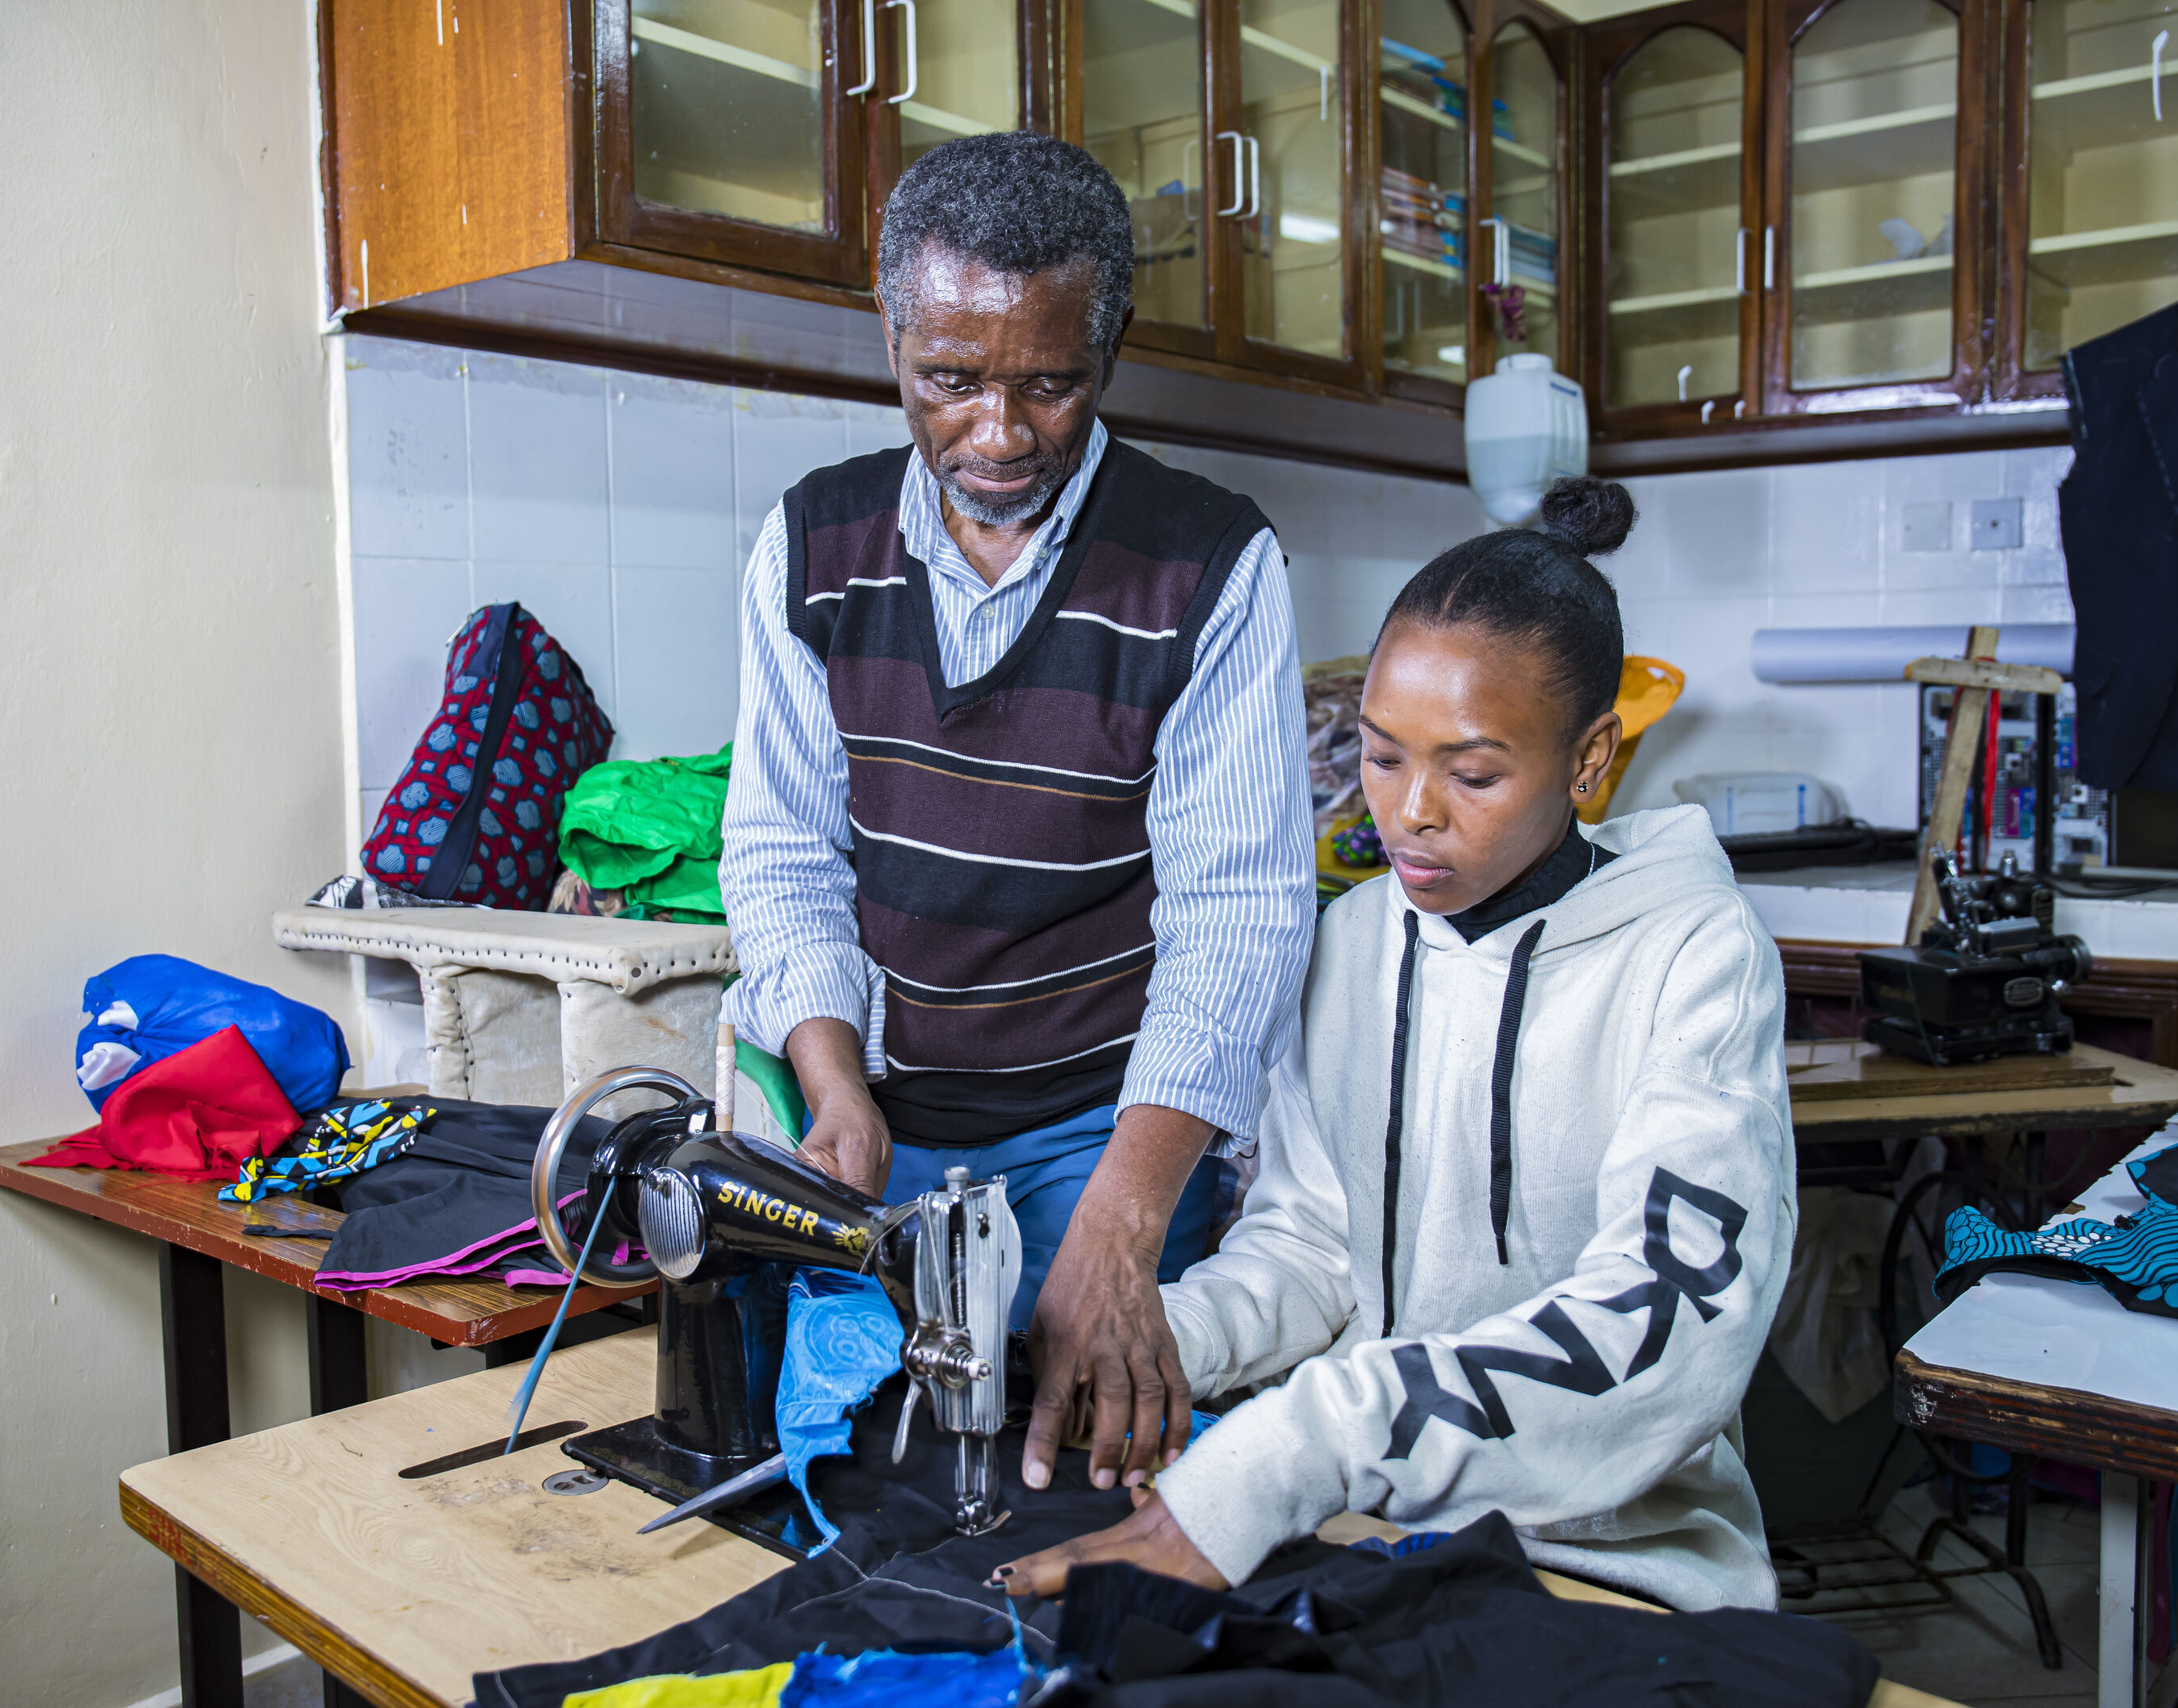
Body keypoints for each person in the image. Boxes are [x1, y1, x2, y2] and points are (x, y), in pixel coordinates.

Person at [996, 477, 1797, 1611]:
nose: (1410, 810)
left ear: (1591, 759)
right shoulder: (1354, 939)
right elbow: (1314, 1250)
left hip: (1614, 1565)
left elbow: (1666, 1321)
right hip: (1366, 1532)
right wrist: (1147, 1343)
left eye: (1471, 772)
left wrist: (1310, 1442)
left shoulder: (1694, 955)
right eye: (1380, 756)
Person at [718, 131, 1315, 1495]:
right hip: (885, 1118)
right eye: (951, 380)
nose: (995, 433)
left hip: (1101, 1130)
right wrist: (834, 1084)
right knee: (862, 1468)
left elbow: (1239, 914)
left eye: (1049, 385)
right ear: (891, 335)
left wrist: (1124, 1216)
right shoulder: (809, 548)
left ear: (1109, 349)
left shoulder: (1212, 562)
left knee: (1089, 1463)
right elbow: (784, 851)